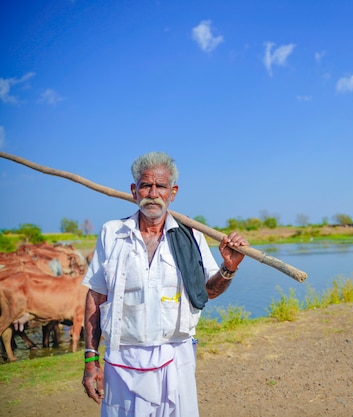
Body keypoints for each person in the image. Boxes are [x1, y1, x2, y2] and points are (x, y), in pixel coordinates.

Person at [81, 151, 248, 416]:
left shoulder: (192, 235)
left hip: (175, 357)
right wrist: (91, 359)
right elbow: (96, 296)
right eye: (146, 185)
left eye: (161, 186)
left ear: (173, 192)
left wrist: (229, 267)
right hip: (121, 360)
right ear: (134, 190)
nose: (153, 192)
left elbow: (207, 293)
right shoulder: (112, 233)